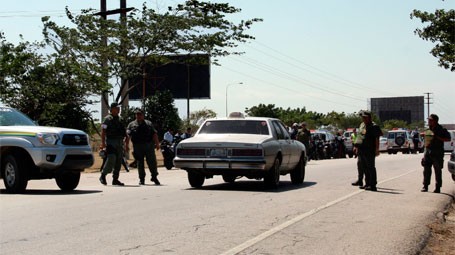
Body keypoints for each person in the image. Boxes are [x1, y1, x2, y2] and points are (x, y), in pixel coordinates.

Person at [127, 109, 161, 185]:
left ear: (143, 115)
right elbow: (128, 135)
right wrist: (126, 145)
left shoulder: (148, 123)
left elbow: (154, 134)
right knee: (140, 163)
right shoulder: (131, 124)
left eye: (140, 114)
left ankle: (154, 177)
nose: (138, 116)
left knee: (152, 162)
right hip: (137, 146)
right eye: (137, 114)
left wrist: (157, 144)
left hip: (149, 146)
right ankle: (142, 179)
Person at [99, 103, 129, 186]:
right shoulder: (107, 119)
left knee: (119, 161)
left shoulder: (121, 119)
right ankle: (103, 175)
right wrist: (103, 143)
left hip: (120, 142)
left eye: (118, 108)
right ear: (111, 109)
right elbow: (103, 131)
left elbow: (125, 131)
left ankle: (115, 179)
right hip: (111, 142)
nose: (118, 110)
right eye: (116, 108)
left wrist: (126, 144)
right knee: (111, 158)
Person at [353, 110, 382, 191]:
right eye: (362, 117)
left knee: (370, 167)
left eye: (365, 117)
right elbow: (359, 136)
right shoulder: (362, 125)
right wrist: (356, 146)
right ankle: (367, 183)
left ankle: (373, 185)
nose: (363, 119)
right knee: (364, 167)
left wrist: (377, 149)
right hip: (361, 149)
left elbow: (377, 138)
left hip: (369, 149)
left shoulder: (374, 126)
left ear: (369, 117)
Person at [421, 114, 451, 193]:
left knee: (437, 170)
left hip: (437, 153)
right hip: (428, 152)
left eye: (431, 120)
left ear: (435, 121)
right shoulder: (428, 130)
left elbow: (448, 139)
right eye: (429, 120)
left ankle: (438, 187)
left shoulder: (442, 130)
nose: (429, 121)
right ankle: (425, 186)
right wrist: (423, 135)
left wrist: (437, 137)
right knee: (426, 170)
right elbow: (425, 140)